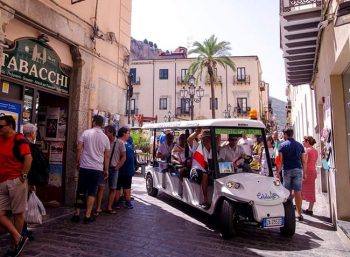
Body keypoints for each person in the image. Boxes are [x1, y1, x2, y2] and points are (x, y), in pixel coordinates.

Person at [0, 115, 32, 256]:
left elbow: (28, 158)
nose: (0, 129)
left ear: (10, 126)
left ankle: (15, 246)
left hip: (16, 181)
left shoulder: (19, 139)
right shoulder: (0, 139)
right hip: (2, 181)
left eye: (2, 126)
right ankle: (18, 237)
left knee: (18, 214)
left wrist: (22, 177)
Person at [72, 115, 110, 224]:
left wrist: (78, 161)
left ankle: (77, 214)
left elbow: (79, 148)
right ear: (102, 124)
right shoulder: (105, 138)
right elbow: (106, 156)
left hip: (84, 166)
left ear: (93, 122)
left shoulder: (86, 133)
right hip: (97, 168)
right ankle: (87, 216)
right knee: (92, 192)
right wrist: (106, 169)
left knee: (80, 191)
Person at [95, 125, 126, 214]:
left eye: (106, 132)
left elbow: (124, 156)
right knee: (101, 187)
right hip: (103, 168)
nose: (104, 133)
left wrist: (118, 166)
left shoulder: (120, 143)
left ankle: (109, 208)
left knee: (113, 189)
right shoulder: (104, 141)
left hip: (114, 169)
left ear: (112, 133)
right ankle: (98, 208)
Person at [278, 128, 307, 221]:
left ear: (285, 134)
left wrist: (278, 172)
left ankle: (288, 213)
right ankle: (299, 214)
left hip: (286, 170)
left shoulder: (282, 145)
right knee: (298, 192)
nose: (283, 136)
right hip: (298, 170)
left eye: (283, 134)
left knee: (287, 193)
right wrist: (305, 172)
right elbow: (303, 161)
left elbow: (280, 161)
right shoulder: (299, 145)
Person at [191, 130, 212, 209]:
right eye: (205, 138)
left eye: (209, 138)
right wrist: (197, 132)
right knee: (205, 175)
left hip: (208, 170)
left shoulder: (212, 149)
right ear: (202, 139)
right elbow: (189, 140)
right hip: (195, 171)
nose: (207, 140)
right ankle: (205, 200)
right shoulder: (198, 146)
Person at [115, 127, 135, 209]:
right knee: (118, 186)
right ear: (123, 133)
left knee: (127, 186)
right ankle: (116, 202)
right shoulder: (118, 142)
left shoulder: (128, 143)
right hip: (121, 169)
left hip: (128, 170)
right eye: (128, 133)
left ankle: (127, 201)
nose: (129, 135)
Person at [302, 136, 318, 215]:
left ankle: (298, 207)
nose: (303, 142)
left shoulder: (307, 151)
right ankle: (310, 209)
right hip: (313, 171)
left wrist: (304, 173)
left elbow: (304, 163)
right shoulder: (315, 151)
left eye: (304, 141)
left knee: (300, 190)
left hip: (307, 171)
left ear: (307, 142)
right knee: (311, 190)